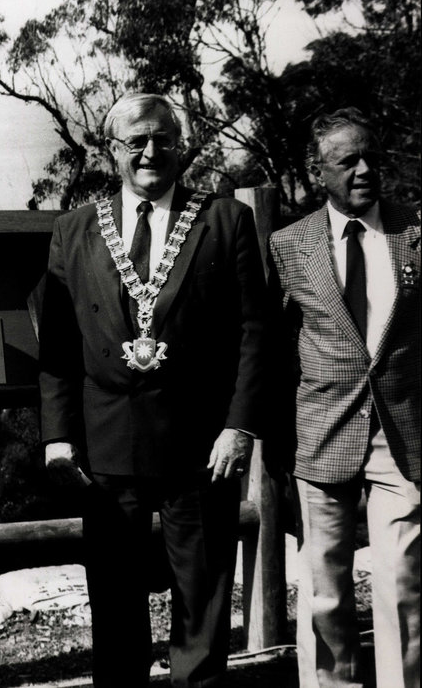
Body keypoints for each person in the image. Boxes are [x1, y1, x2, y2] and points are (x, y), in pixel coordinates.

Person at [37, 92, 269, 687]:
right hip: (106, 447)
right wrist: (58, 436)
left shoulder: (224, 220)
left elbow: (254, 330)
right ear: (113, 151)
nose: (150, 152)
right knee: (115, 607)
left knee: (203, 601)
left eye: (162, 139)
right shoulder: (75, 230)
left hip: (201, 448)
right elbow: (59, 345)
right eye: (135, 141)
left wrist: (239, 427)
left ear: (180, 145)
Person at [267, 108, 419, 688]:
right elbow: (273, 349)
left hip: (404, 435)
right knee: (325, 593)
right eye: (346, 160)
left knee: (402, 584)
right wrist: (281, 437)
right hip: (323, 431)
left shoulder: (416, 232)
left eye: (371, 158)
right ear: (316, 171)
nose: (363, 170)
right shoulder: (289, 245)